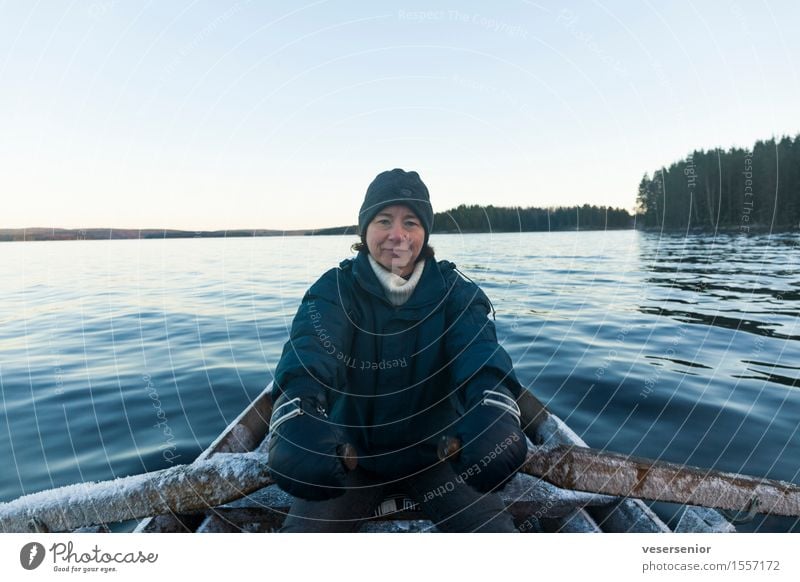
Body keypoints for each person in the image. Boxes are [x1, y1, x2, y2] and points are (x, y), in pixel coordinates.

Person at [269, 169, 529, 532]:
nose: (397, 234)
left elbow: (478, 351)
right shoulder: (335, 290)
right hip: (352, 458)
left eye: (411, 221)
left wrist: (496, 403)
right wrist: (295, 407)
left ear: (424, 233)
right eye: (384, 220)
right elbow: (311, 350)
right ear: (365, 231)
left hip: (441, 456)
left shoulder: (455, 292)